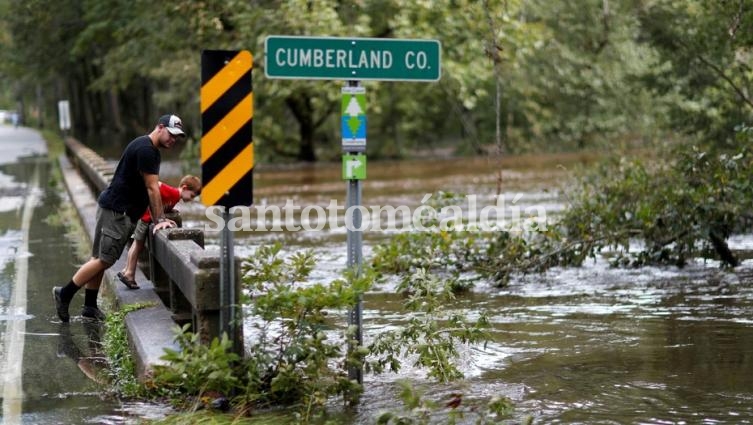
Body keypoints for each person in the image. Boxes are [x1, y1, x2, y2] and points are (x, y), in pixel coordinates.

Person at [52, 114, 185, 322]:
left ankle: (89, 306)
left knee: (99, 259)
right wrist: (160, 220)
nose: (173, 140)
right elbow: (152, 189)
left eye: (177, 137)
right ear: (160, 127)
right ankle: (65, 293)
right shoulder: (147, 150)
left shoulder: (146, 147)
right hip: (117, 213)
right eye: (171, 134)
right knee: (105, 259)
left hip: (113, 208)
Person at [116, 175, 202, 289]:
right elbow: (157, 186)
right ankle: (129, 274)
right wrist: (160, 218)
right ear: (185, 188)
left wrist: (168, 212)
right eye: (191, 195)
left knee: (137, 245)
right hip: (145, 219)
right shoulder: (173, 192)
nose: (191, 199)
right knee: (137, 246)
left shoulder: (175, 198)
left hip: (145, 219)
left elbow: (164, 204)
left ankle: (126, 270)